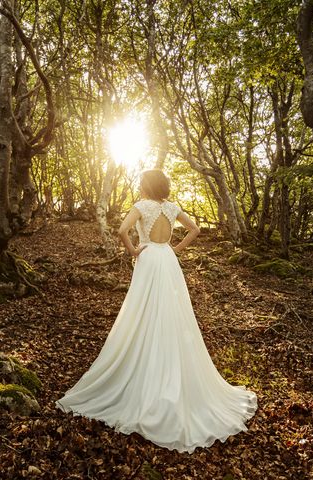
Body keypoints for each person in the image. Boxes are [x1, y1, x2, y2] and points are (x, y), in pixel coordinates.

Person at [55, 169, 257, 453]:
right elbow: (195, 230)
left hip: (149, 258)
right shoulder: (172, 207)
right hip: (168, 259)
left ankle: (144, 359)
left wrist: (134, 251)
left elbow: (123, 230)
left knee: (142, 311)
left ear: (146, 185)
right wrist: (175, 248)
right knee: (173, 314)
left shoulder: (141, 206)